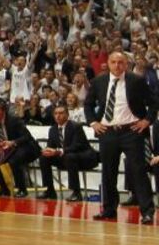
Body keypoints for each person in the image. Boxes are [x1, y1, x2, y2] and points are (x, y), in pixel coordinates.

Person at [84, 51, 155, 223]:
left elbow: (154, 103)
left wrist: (146, 121)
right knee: (108, 172)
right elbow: (88, 104)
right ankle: (109, 210)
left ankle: (147, 212)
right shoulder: (98, 81)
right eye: (114, 62)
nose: (117, 65)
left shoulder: (136, 81)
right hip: (107, 131)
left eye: (121, 62)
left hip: (132, 131)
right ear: (108, 63)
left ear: (126, 64)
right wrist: (93, 122)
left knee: (138, 171)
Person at [0, 100, 41, 198]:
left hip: (26, 147)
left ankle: (22, 189)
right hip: (8, 150)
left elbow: (27, 137)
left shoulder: (14, 120)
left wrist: (12, 142)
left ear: (3, 111)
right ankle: (4, 189)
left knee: (14, 161)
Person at [38, 104, 98, 201]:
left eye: (61, 113)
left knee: (70, 157)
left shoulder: (76, 126)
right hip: (66, 158)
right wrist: (47, 151)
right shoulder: (53, 129)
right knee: (44, 158)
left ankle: (76, 193)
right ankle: (49, 190)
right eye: (56, 114)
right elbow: (51, 146)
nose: (58, 116)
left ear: (67, 115)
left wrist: (59, 151)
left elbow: (78, 146)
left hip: (83, 157)